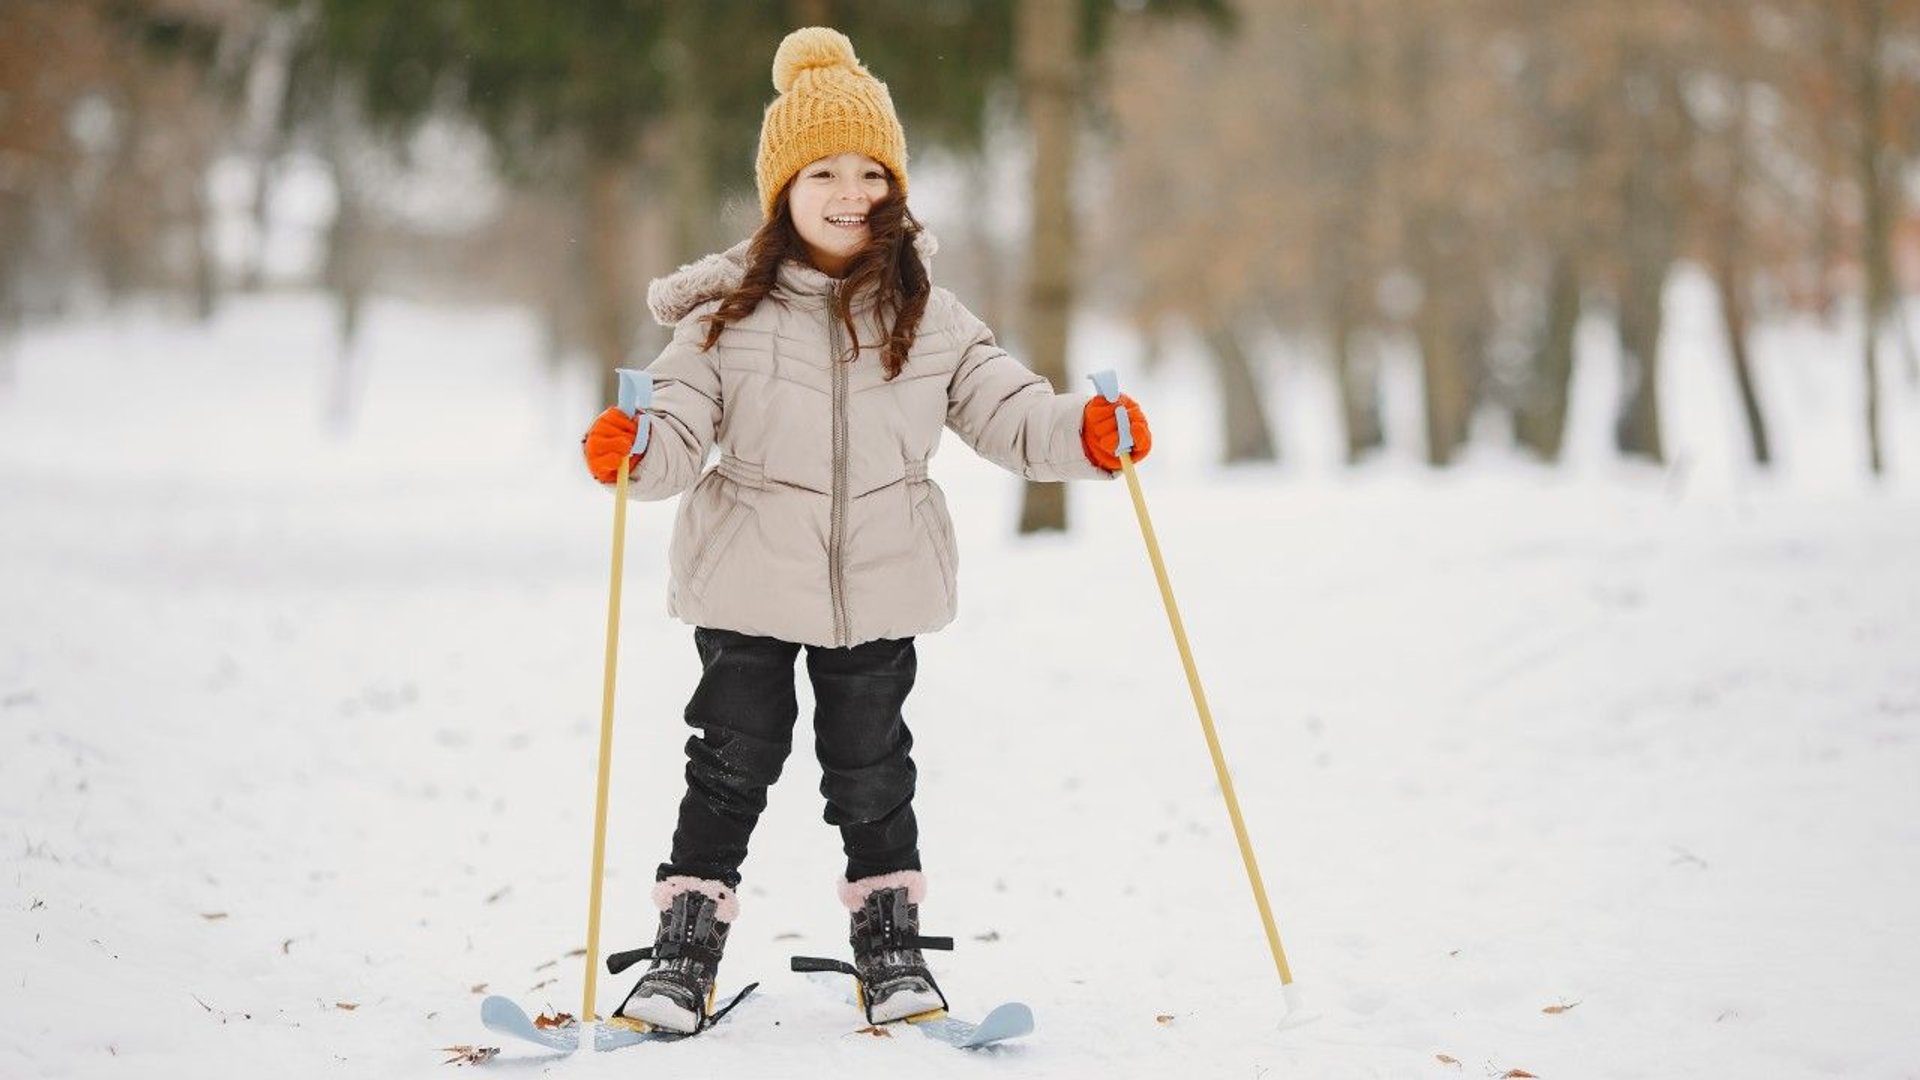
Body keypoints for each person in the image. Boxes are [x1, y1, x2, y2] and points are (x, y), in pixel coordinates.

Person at [579, 26, 1152, 1035]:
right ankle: (683, 948)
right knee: (731, 758)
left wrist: (1088, 434)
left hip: (882, 577)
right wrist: (634, 446)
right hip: (748, 576)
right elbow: (671, 436)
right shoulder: (721, 320)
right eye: (824, 172)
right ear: (782, 190)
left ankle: (888, 942)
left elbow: (1011, 413)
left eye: (872, 173)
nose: (851, 193)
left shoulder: (928, 316)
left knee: (873, 765)